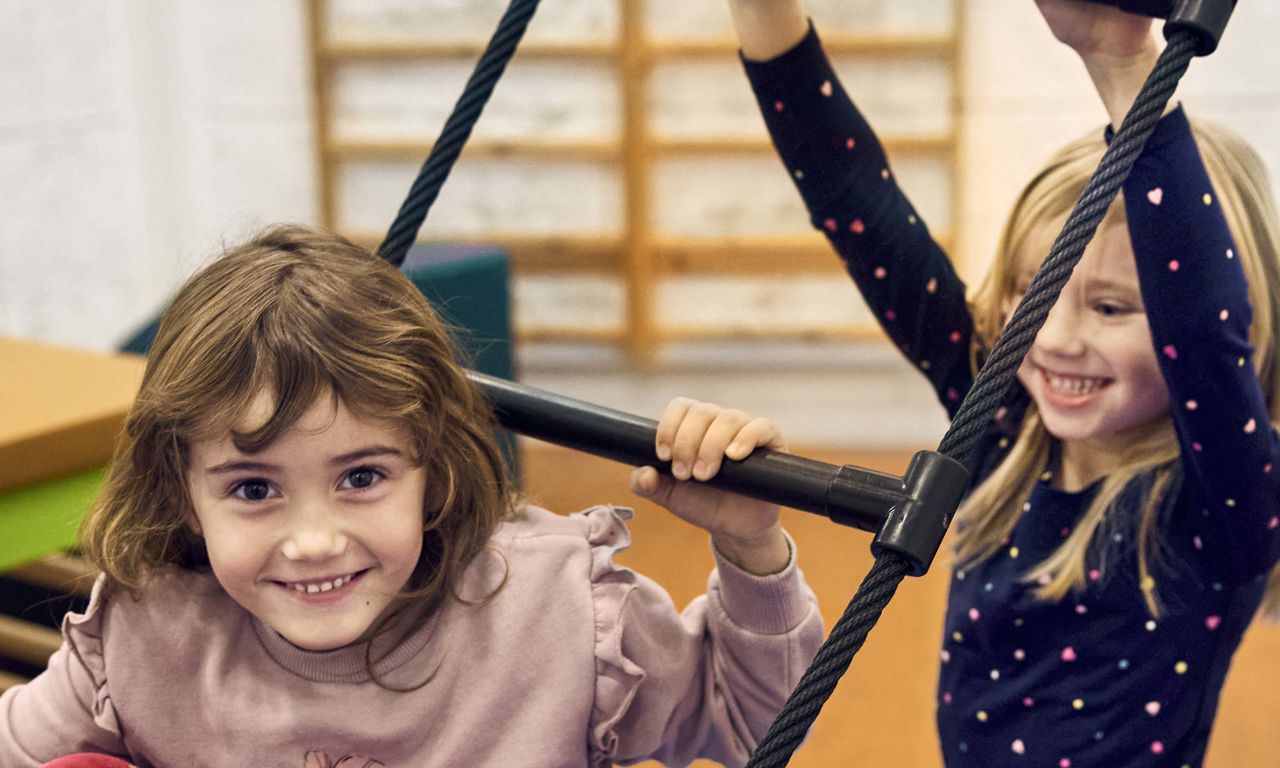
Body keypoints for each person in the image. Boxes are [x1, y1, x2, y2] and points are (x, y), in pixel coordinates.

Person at [0, 225, 824, 768]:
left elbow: (752, 722)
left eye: (361, 478)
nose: (314, 540)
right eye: (253, 488)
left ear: (430, 463)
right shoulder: (148, 634)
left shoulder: (557, 610)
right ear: (183, 495)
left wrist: (750, 548)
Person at [726, 0, 1280, 764]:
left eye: (1111, 307)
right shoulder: (1000, 420)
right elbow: (849, 192)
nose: (1056, 339)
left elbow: (1201, 333)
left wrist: (1123, 65)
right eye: (1036, 291)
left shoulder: (1222, 503)